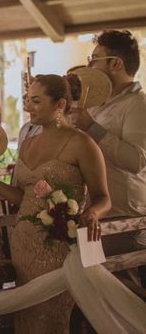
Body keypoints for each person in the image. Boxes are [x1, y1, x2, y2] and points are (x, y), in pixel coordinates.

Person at [0, 74, 111, 334]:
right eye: (27, 100)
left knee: (52, 318)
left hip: (58, 245)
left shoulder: (82, 143)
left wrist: (92, 212)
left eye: (36, 101)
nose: (27, 107)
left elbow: (104, 198)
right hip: (23, 243)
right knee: (25, 315)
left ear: (60, 104)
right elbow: (23, 197)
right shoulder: (27, 144)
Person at [70, 30, 146, 250]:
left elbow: (137, 161)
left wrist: (91, 128)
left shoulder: (137, 105)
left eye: (94, 59)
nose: (90, 66)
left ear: (116, 64)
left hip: (122, 219)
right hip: (91, 214)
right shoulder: (95, 104)